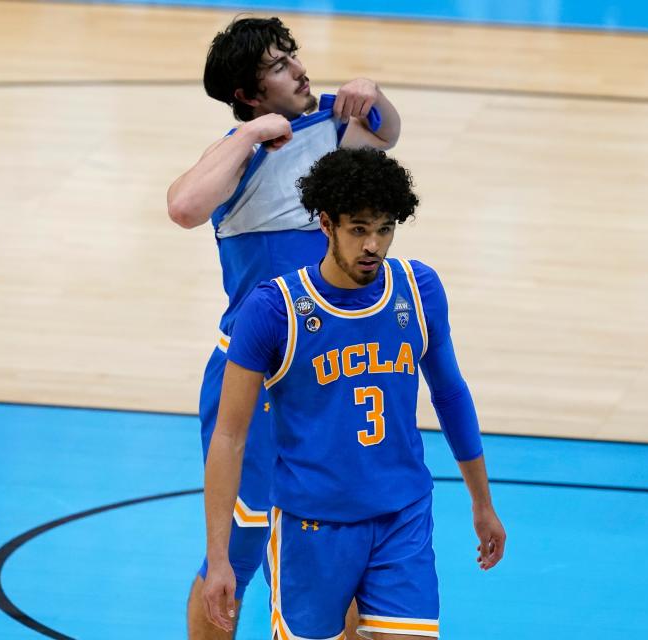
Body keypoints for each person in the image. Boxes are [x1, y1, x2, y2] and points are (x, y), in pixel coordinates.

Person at [202, 147, 507, 639]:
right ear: (326, 224)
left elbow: (450, 396)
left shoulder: (418, 288)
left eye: (384, 228)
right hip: (311, 527)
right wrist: (220, 558)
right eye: (359, 229)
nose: (373, 244)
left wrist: (482, 502)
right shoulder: (273, 310)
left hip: (401, 517)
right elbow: (230, 436)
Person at [166, 16, 402, 640]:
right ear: (247, 92)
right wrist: (250, 136)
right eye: (278, 65)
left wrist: (372, 93)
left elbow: (387, 133)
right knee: (236, 556)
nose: (298, 69)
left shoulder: (329, 125)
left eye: (292, 56)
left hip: (331, 371)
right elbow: (184, 207)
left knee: (338, 547)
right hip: (256, 372)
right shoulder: (235, 151)